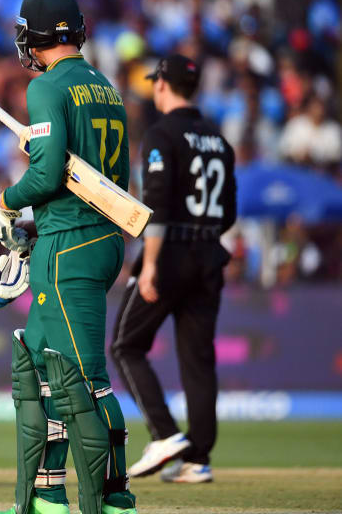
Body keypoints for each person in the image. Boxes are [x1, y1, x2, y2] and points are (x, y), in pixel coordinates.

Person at [0, 0, 137, 514]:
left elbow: (47, 173)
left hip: (69, 243)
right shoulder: (106, 87)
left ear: (38, 34)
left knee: (81, 382)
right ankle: (44, 495)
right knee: (38, 372)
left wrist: (6, 201)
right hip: (98, 237)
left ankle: (112, 499)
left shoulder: (49, 87)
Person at [111, 55, 236, 484]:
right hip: (209, 255)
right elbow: (229, 213)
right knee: (198, 358)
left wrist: (148, 265)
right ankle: (198, 458)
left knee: (126, 345)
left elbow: (157, 208)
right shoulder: (219, 140)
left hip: (171, 253)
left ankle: (164, 434)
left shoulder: (161, 135)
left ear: (162, 85)